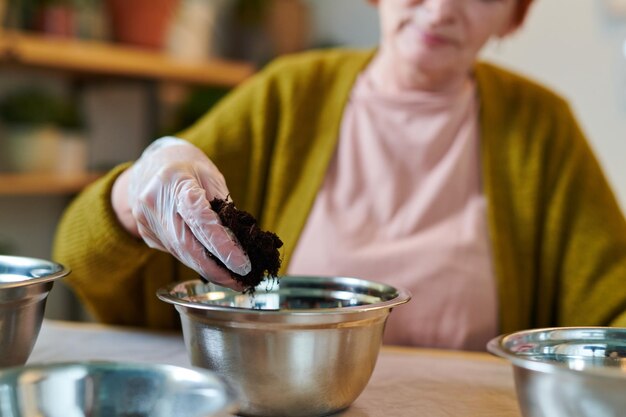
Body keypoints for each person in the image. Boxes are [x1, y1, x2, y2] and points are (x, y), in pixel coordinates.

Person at [53, 0, 626, 351]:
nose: (442, 8)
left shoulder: (543, 130)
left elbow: (613, 314)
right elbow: (81, 259)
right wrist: (135, 193)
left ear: (515, 14)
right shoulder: (288, 96)